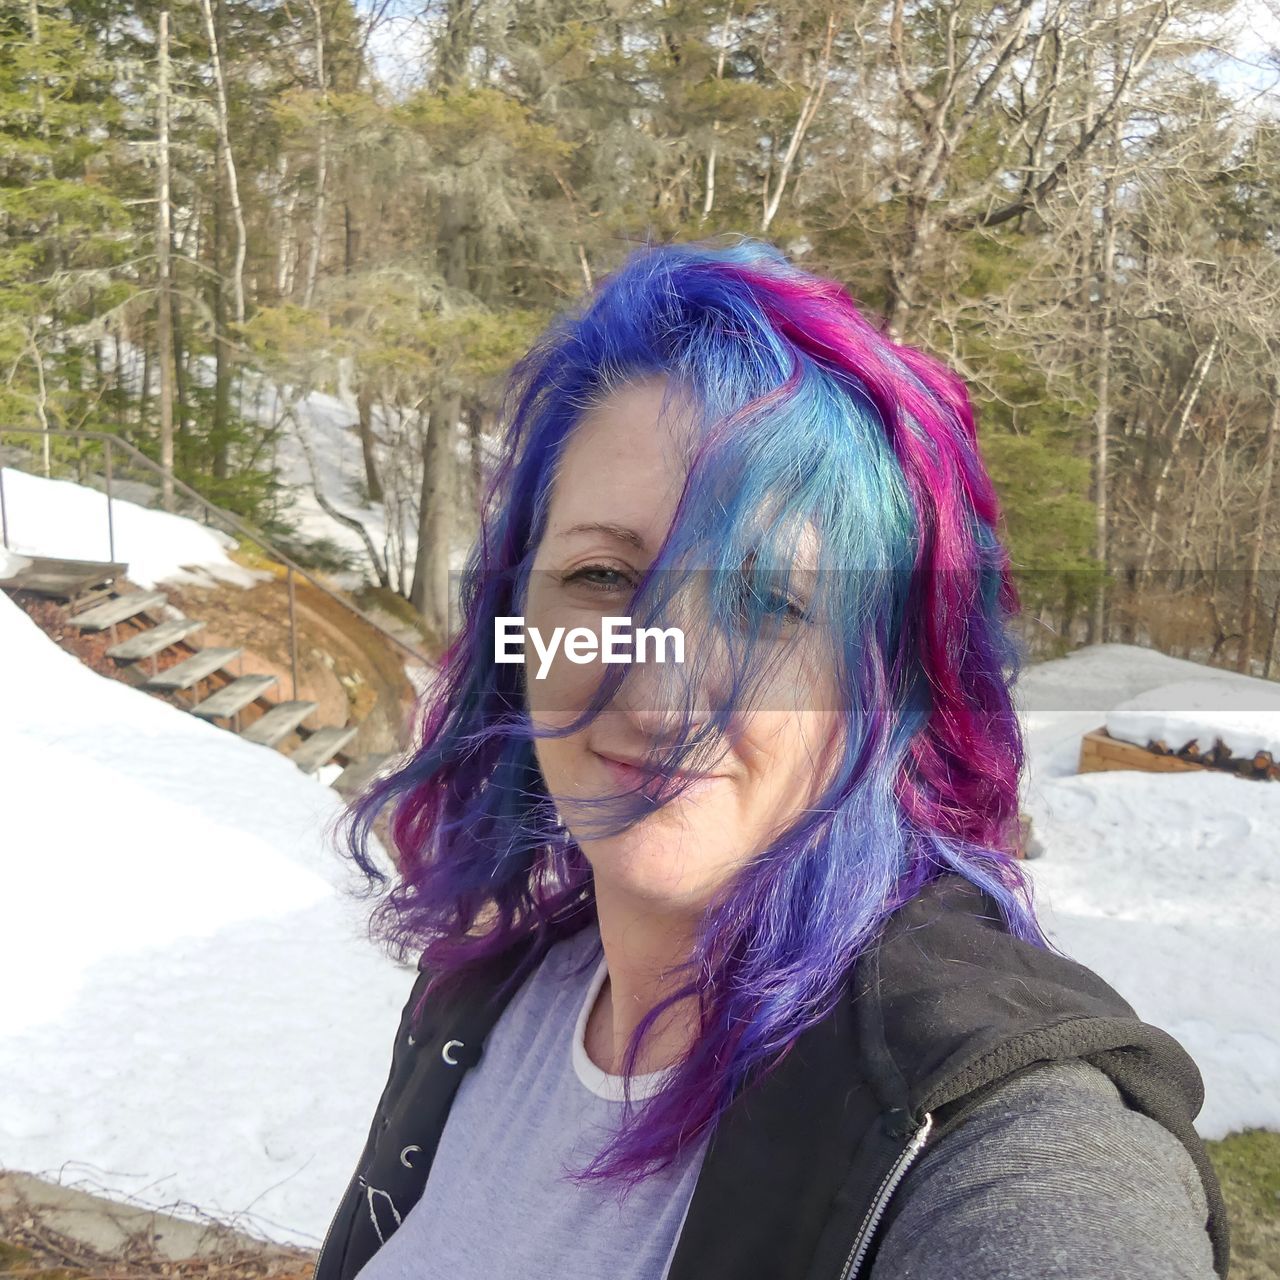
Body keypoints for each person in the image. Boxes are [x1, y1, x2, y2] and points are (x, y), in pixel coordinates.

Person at [314, 238, 1230, 1280]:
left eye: (766, 602)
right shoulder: (484, 998)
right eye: (604, 574)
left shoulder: (991, 1129)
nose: (657, 691)